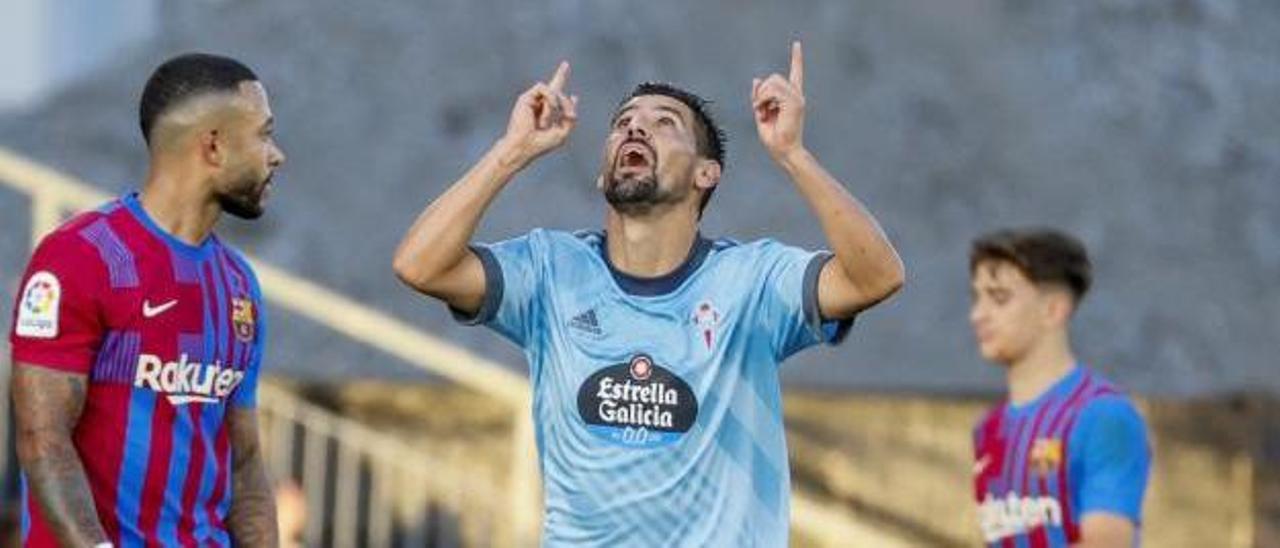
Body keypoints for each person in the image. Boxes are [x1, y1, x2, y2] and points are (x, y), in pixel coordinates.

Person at [394, 42, 904, 546]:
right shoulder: (550, 269)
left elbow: (875, 277)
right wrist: (509, 153)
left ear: (707, 174)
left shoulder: (752, 280)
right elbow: (420, 265)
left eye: (665, 123)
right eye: (623, 122)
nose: (635, 128)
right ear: (603, 172)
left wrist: (794, 156)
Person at [9, 52, 284, 547]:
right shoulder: (79, 257)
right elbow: (42, 440)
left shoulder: (240, 285)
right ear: (214, 146)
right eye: (264, 134)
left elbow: (245, 466)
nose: (276, 154)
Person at [968, 228, 1151, 547]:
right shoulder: (988, 429)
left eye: (998, 298)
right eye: (977, 297)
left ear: (1053, 309)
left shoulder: (1104, 416)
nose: (978, 315)